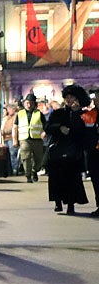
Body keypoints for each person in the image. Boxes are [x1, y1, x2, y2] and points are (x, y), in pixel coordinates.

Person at [45, 84, 89, 215]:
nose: (69, 100)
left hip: (73, 152)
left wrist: (76, 114)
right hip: (58, 151)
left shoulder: (82, 114)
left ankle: (71, 205)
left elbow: (82, 130)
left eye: (72, 97)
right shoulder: (58, 113)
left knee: (72, 179)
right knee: (56, 178)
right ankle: (58, 202)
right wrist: (59, 128)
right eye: (67, 97)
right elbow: (47, 127)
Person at [17, 93, 45, 182]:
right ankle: (28, 175)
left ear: (34, 104)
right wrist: (14, 139)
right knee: (26, 157)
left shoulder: (39, 114)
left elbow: (45, 125)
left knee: (39, 158)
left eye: (31, 103)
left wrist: (44, 132)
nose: (28, 105)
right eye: (27, 103)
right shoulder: (20, 114)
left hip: (37, 139)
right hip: (24, 139)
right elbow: (15, 126)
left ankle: (34, 170)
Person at [0, 102, 20, 176]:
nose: (8, 110)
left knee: (12, 154)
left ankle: (14, 169)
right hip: (5, 138)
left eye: (9, 109)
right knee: (7, 155)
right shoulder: (6, 118)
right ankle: (9, 169)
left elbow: (13, 128)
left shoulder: (16, 117)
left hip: (12, 138)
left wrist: (4, 131)